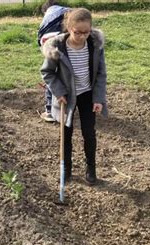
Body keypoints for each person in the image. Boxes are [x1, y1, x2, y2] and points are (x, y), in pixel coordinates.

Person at [40, 8, 107, 185]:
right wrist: (59, 91)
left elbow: (101, 74)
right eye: (78, 32)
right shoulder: (58, 48)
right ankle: (66, 170)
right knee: (66, 134)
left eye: (86, 32)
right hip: (66, 96)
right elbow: (47, 72)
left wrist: (98, 98)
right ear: (69, 28)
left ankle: (91, 169)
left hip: (87, 94)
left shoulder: (95, 46)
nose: (83, 36)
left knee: (89, 133)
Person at [37, 0, 70, 122]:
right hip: (71, 40)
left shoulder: (47, 16)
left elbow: (41, 39)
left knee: (52, 75)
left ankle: (50, 112)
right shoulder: (67, 11)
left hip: (52, 41)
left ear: (45, 10)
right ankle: (70, 108)